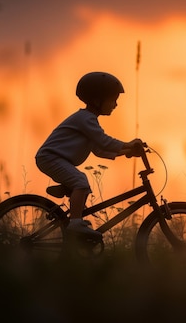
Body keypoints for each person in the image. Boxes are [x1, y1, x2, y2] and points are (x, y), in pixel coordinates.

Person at [36, 71, 142, 239]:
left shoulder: (87, 120)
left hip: (54, 158)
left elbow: (99, 150)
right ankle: (75, 224)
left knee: (81, 183)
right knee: (81, 181)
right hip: (50, 158)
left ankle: (69, 203)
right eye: (113, 100)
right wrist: (128, 144)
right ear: (96, 100)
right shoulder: (86, 119)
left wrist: (127, 151)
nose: (115, 104)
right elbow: (104, 141)